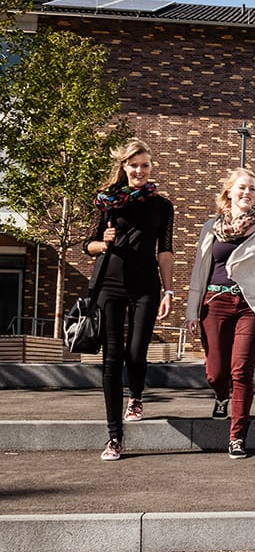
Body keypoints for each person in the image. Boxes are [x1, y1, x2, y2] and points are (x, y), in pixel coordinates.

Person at [83, 138, 176, 462]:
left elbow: (165, 251)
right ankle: (114, 437)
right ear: (123, 167)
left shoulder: (162, 206)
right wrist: (102, 242)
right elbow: (88, 245)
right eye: (134, 165)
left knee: (136, 353)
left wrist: (168, 291)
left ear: (151, 168)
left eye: (145, 165)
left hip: (146, 287)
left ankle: (135, 396)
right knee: (112, 358)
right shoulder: (108, 201)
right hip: (109, 285)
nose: (139, 170)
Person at [184, 168, 255, 459]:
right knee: (216, 372)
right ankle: (220, 395)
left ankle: (237, 436)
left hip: (251, 307)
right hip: (214, 304)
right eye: (242, 188)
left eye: (252, 189)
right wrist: (192, 311)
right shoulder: (210, 228)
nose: (247, 193)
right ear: (230, 192)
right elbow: (199, 271)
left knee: (241, 371)